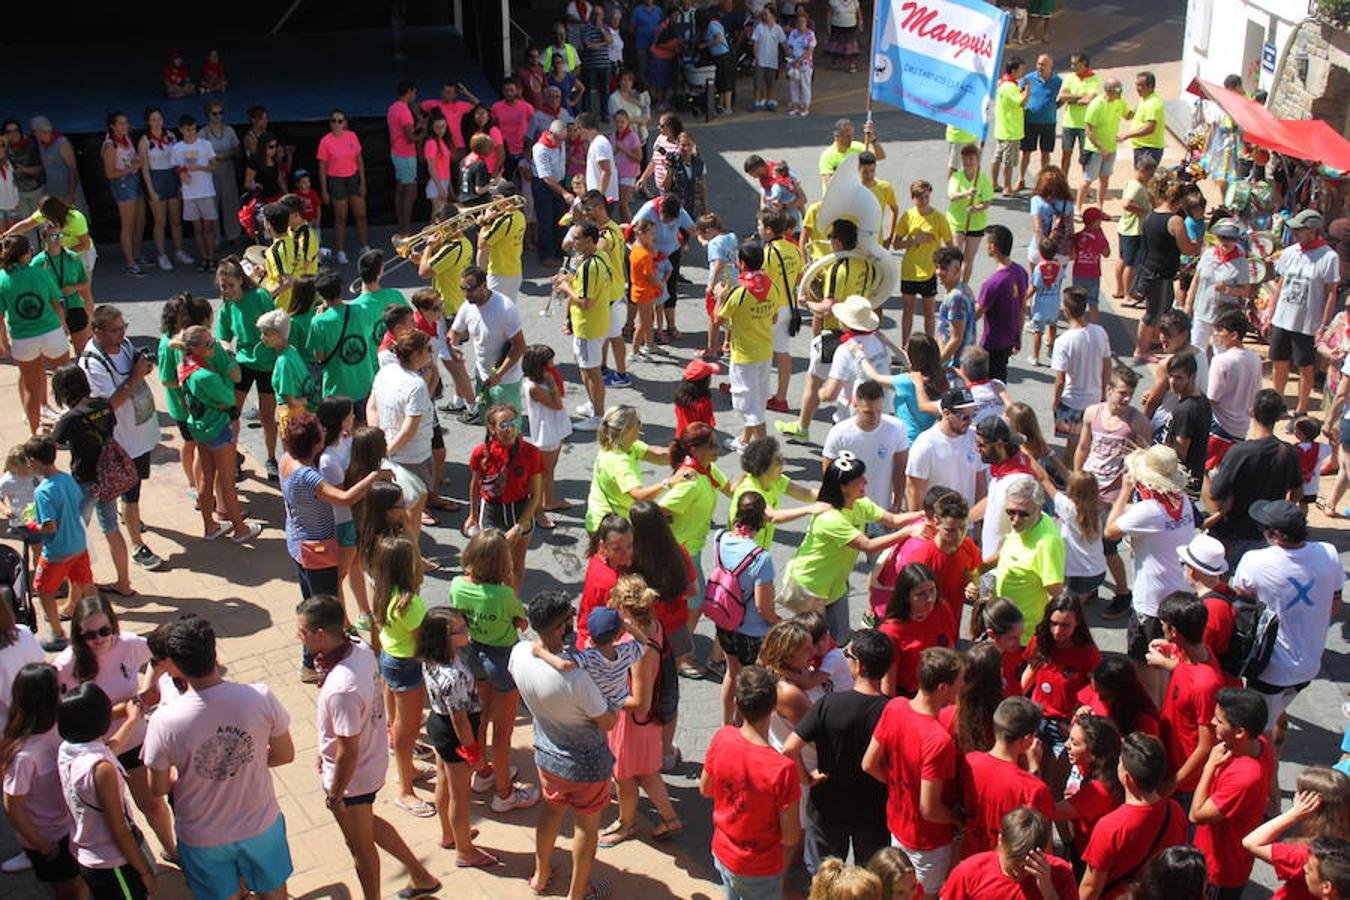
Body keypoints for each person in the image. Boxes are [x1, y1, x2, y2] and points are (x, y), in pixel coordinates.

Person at [296, 594, 440, 900]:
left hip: (352, 780)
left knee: (360, 849)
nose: (300, 637)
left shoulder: (341, 690)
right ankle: (421, 874)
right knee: (369, 824)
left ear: (321, 634)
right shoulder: (358, 649)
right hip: (369, 764)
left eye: (303, 632)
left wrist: (336, 793)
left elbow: (348, 749)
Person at [142, 615, 294, 900]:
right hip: (260, 825)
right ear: (214, 652)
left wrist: (187, 774)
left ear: (176, 667)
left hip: (202, 837)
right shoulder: (259, 697)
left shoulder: (164, 721)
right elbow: (285, 754)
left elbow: (157, 788)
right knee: (274, 893)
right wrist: (245, 760)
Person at [509, 591, 617, 900]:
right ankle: (578, 893)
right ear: (560, 628)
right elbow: (607, 722)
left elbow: (531, 648)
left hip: (548, 755)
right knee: (586, 827)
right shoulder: (577, 679)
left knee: (550, 813)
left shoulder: (519, 654)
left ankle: (541, 875)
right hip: (587, 765)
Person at [55, 595, 176, 862]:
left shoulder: (129, 645)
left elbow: (160, 657)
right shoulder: (66, 665)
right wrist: (126, 710)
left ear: (113, 624)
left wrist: (147, 688)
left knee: (153, 804)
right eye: (89, 635)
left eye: (104, 631)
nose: (98, 639)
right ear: (77, 634)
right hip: (95, 756)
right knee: (111, 819)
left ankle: (172, 850)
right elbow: (63, 713)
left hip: (133, 743)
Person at [782, 629, 893, 872]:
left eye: (847, 655)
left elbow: (789, 749)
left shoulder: (828, 704)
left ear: (859, 665)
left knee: (826, 880)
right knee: (872, 878)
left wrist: (806, 777)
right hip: (873, 810)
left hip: (827, 807)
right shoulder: (892, 711)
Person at [1231, 500, 1344, 736]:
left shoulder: (1254, 561)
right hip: (1309, 665)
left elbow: (1240, 608)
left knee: (1259, 734)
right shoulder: (1329, 553)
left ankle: (1269, 769)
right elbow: (1334, 606)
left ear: (1276, 534)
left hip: (1270, 669)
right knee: (1277, 714)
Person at [448, 529, 539, 813]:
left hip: (472, 653)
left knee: (482, 717)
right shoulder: (504, 593)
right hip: (502, 660)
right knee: (503, 732)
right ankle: (505, 793)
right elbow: (522, 622)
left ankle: (483, 772)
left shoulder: (456, 585)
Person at [781, 453, 915, 642]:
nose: (866, 482)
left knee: (841, 638)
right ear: (843, 487)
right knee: (815, 644)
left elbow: (893, 520)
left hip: (835, 585)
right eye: (859, 480)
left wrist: (926, 513)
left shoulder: (860, 503)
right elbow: (868, 545)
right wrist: (908, 532)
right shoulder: (831, 519)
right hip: (811, 587)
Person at [863, 647, 963, 895]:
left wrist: (899, 786)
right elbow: (929, 809)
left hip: (897, 826)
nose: (962, 689)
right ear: (943, 688)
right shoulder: (939, 740)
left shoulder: (895, 706)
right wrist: (959, 820)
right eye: (959, 683)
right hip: (929, 842)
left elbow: (868, 764)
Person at [702, 664, 802, 898]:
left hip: (723, 851)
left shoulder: (722, 737)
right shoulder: (783, 769)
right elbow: (790, 836)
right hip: (761, 867)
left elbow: (705, 789)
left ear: (737, 703)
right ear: (773, 706)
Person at [55, 682, 159, 899]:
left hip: (88, 854)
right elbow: (118, 829)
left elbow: (110, 748)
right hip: (113, 862)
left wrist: (131, 719)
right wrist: (144, 870)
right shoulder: (102, 770)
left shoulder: (68, 749)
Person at [1191, 688, 1276, 898]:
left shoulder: (1244, 777)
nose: (1212, 722)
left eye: (1219, 721)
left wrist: (1210, 764)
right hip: (1235, 859)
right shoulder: (1262, 745)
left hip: (1220, 870)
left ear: (1240, 733)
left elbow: (1196, 814)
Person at [1205, 388, 1303, 568]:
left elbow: (1216, 492)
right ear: (1279, 417)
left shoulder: (1240, 452)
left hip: (1232, 532)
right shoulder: (1288, 452)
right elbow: (1297, 491)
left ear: (1251, 412)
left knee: (1223, 583)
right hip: (1266, 534)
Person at [1266, 209, 1341, 418]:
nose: (1296, 232)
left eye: (1300, 229)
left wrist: (1324, 327)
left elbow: (1330, 294)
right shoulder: (1290, 252)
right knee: (1279, 361)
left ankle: (1302, 408)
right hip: (1283, 318)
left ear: (1313, 230)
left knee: (1305, 366)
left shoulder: (1328, 257)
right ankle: (1277, 403)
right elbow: (1280, 285)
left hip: (1307, 323)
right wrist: (1270, 313)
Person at [465, 404, 543, 592]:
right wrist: (472, 515)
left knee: (516, 565)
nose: (509, 429)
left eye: (513, 423)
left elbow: (536, 495)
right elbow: (475, 485)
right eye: (503, 425)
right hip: (492, 510)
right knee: (490, 562)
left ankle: (512, 603)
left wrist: (518, 528)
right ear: (492, 428)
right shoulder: (481, 452)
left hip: (521, 510)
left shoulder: (531, 452)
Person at [717, 241, 786, 449]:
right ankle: (744, 440)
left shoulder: (739, 293)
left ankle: (765, 451)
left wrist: (720, 297)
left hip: (744, 357)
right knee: (758, 399)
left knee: (746, 404)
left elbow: (718, 320)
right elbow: (774, 319)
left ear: (742, 263)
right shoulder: (771, 286)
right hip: (765, 352)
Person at [1241, 768, 1350, 898]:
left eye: (1299, 793)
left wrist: (1293, 814)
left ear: (1309, 806)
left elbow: (1251, 842)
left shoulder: (1308, 856)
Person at [0, 235, 67, 434]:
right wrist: (63, 327)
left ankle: (34, 433)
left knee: (31, 387)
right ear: (24, 254)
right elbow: (57, 304)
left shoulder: (2, 279)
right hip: (51, 332)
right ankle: (75, 426)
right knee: (66, 379)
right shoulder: (41, 273)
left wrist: (4, 341)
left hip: (23, 338)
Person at [1131, 175, 1200, 363]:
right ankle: (1141, 349)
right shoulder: (1175, 221)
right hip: (1160, 273)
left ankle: (1151, 340)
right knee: (1153, 314)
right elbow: (1187, 249)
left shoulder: (1152, 214)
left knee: (1158, 310)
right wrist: (1197, 245)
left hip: (1148, 269)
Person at [450, 265, 526, 424]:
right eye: (463, 288)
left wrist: (499, 374)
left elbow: (519, 346)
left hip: (505, 381)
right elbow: (455, 332)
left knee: (508, 428)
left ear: (484, 285)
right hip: (482, 377)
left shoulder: (505, 308)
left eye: (470, 289)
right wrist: (453, 347)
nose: (466, 293)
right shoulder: (467, 306)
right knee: (490, 424)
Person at [583, 405, 675, 532]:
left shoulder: (624, 445)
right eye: (638, 422)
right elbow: (640, 497)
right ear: (627, 429)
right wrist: (670, 482)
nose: (641, 425)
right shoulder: (619, 462)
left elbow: (658, 455)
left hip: (608, 521)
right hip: (609, 529)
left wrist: (684, 452)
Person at [904, 388, 983, 510]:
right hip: (938, 525)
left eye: (973, 415)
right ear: (946, 413)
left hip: (968, 523)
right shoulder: (925, 445)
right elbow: (914, 491)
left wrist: (977, 525)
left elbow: (980, 483)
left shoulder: (975, 438)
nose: (969, 421)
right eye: (964, 417)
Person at [976, 224, 1029, 382]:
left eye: (987, 243)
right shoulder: (1020, 272)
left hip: (992, 342)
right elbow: (1022, 307)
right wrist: (1018, 336)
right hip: (1009, 338)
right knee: (1000, 379)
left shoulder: (992, 283)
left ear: (993, 246)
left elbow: (977, 313)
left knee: (988, 385)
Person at [138, 109, 189, 271]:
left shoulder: (171, 136)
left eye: (159, 119)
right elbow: (144, 169)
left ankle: (179, 251)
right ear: (148, 122)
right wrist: (151, 190)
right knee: (160, 221)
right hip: (156, 180)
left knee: (176, 220)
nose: (157, 122)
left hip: (172, 178)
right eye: (153, 119)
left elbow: (178, 161)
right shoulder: (144, 140)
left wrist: (180, 184)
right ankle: (162, 255)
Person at [169, 116, 217, 271]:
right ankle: (204, 258)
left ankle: (212, 257)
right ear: (181, 130)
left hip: (206, 190)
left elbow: (214, 165)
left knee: (208, 227)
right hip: (190, 193)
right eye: (187, 130)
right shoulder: (177, 148)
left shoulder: (205, 144)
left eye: (193, 129)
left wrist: (200, 168)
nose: (191, 133)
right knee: (197, 228)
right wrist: (183, 173)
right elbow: (177, 166)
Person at [948, 144, 995, 283]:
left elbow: (987, 202)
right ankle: (953, 284)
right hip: (957, 222)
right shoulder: (956, 176)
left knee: (969, 258)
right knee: (956, 257)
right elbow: (951, 195)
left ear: (977, 159)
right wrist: (966, 193)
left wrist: (975, 209)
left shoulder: (984, 179)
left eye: (971, 158)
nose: (968, 162)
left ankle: (963, 285)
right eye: (965, 159)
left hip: (976, 224)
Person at [1078, 78, 1128, 211]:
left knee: (1105, 179)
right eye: (1118, 89)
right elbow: (1088, 130)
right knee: (1088, 179)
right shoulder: (1096, 105)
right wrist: (1101, 148)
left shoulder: (1120, 102)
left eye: (1121, 88)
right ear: (1108, 90)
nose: (1121, 92)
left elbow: (1128, 115)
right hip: (1095, 149)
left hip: (1111, 148)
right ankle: (1078, 208)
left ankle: (1099, 207)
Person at [1115, 156, 1158, 301]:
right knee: (1131, 264)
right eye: (1150, 174)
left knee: (1122, 259)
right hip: (1133, 230)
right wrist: (1144, 211)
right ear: (1143, 170)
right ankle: (1127, 294)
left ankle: (1120, 289)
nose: (1151, 177)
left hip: (1125, 228)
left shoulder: (1136, 184)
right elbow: (1126, 204)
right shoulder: (1137, 187)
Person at [1017, 54, 1062, 192]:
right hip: (1030, 121)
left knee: (1045, 153)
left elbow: (1063, 96)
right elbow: (1018, 93)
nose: (1039, 67)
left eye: (1043, 65)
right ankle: (1021, 179)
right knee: (1026, 152)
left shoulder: (1057, 81)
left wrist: (1054, 107)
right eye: (1038, 64)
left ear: (1050, 66)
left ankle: (1043, 181)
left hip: (1048, 122)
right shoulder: (1029, 78)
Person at [387, 81, 425, 237]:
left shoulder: (393, 108)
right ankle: (406, 230)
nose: (415, 96)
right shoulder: (403, 110)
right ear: (409, 91)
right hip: (406, 155)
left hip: (397, 152)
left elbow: (402, 131)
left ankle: (402, 227)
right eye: (414, 93)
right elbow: (410, 138)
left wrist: (418, 126)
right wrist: (425, 132)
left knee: (401, 190)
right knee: (409, 193)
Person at [992, 57, 1030, 195]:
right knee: (1008, 161)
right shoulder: (1010, 86)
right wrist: (1027, 89)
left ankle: (994, 183)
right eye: (1021, 70)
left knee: (997, 157)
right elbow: (1022, 103)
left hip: (1003, 128)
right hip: (1011, 130)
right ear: (1013, 70)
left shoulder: (1004, 83)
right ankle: (1007, 187)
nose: (1022, 73)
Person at [819, 119, 885, 188]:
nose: (851, 139)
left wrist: (873, 139)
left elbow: (880, 156)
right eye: (847, 136)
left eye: (852, 135)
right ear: (837, 137)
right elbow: (829, 184)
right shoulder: (827, 156)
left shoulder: (857, 147)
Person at [1121, 71, 1167, 168]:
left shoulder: (1153, 104)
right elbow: (1132, 114)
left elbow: (1149, 128)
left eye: (1141, 86)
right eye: (1137, 85)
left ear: (1150, 86)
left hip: (1149, 149)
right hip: (1142, 147)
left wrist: (1127, 135)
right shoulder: (1144, 98)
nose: (1138, 89)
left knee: (1143, 179)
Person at [750, 6, 787, 111]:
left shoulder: (778, 29)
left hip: (772, 60)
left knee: (770, 82)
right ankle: (756, 101)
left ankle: (770, 100)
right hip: (760, 60)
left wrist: (789, 53)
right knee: (757, 83)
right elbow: (755, 43)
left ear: (773, 15)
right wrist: (756, 57)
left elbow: (783, 43)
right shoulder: (759, 27)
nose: (764, 16)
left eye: (766, 14)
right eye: (764, 14)